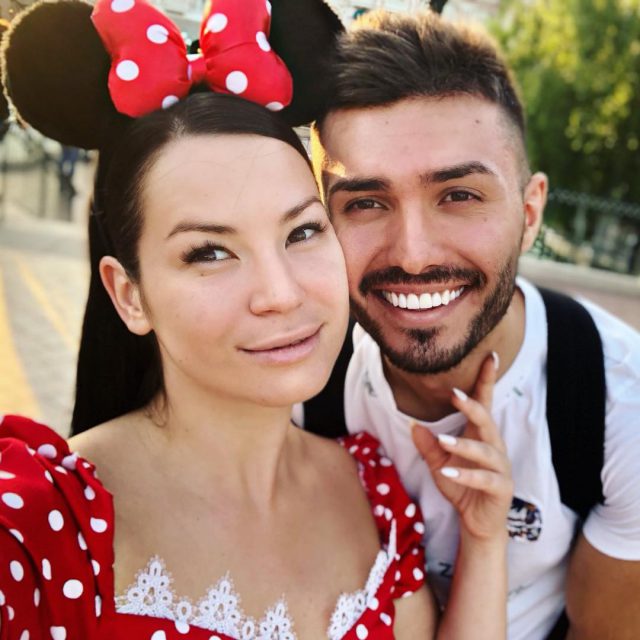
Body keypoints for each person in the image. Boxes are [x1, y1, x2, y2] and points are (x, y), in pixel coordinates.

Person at [0, 1, 513, 638]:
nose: (280, 293)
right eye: (209, 253)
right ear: (129, 295)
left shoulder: (376, 491)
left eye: (302, 232)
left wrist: (484, 539)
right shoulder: (31, 528)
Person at [306, 9, 640, 640]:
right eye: (366, 203)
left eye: (458, 195)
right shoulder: (290, 382)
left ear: (530, 212)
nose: (413, 254)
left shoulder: (622, 410)